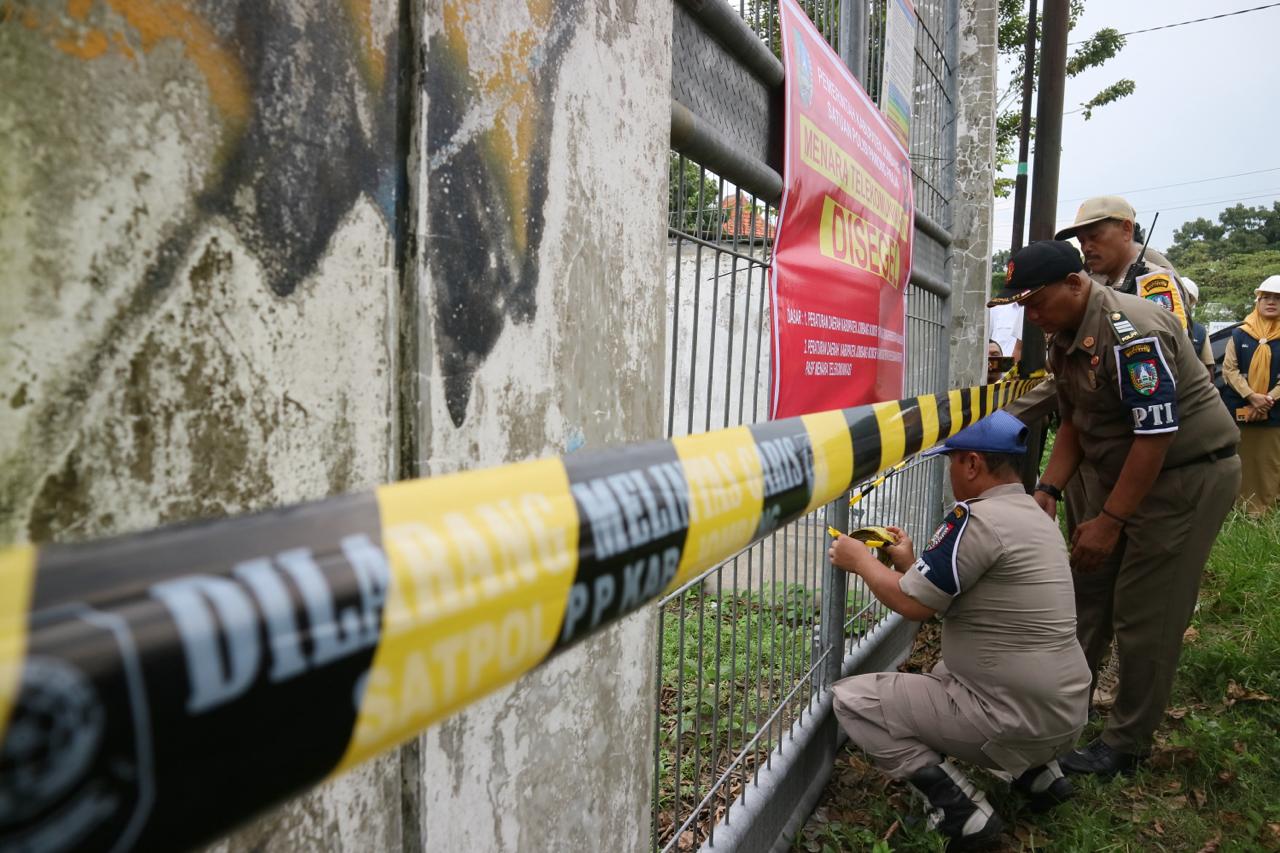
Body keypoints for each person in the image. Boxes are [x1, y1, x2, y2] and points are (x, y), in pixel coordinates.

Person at [990, 240, 1240, 778]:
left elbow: (1155, 438)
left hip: (1185, 477)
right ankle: (1065, 709)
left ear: (1077, 283)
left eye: (1036, 301)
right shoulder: (1065, 333)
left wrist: (1111, 520)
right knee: (1088, 590)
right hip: (1124, 472)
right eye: (1022, 306)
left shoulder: (1133, 332)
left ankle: (1127, 743)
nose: (1030, 316)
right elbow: (1077, 419)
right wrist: (1049, 490)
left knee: (1146, 610)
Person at [828, 410, 1090, 848]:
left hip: (1015, 719)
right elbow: (950, 598)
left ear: (971, 464)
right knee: (947, 672)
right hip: (1066, 711)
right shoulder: (1034, 515)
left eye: (952, 461)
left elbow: (911, 604)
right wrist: (909, 563)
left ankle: (960, 811)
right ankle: (1039, 773)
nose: (951, 471)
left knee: (854, 700)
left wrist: (860, 561)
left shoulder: (975, 519)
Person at [1220, 275, 1280, 516]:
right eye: (1266, 297)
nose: (1271, 302)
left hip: (1274, 412)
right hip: (1241, 408)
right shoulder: (1240, 334)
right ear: (1257, 301)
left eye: (1278, 298)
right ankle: (1240, 509)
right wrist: (1252, 396)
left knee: (1270, 463)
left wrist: (1268, 400)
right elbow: (1229, 370)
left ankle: (1266, 510)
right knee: (1240, 461)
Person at [1180, 277, 1215, 375]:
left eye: (1187, 296)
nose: (1181, 299)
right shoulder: (1159, 323)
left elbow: (1209, 367)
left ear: (1191, 301)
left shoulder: (1200, 331)